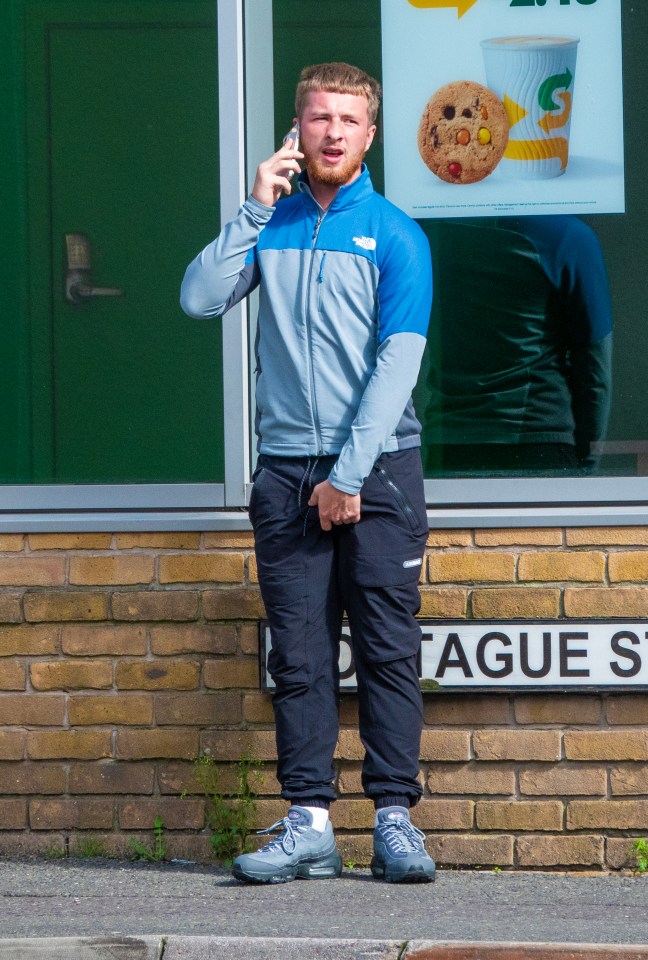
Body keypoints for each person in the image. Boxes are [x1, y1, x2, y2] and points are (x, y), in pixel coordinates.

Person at [181, 62, 434, 884]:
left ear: (371, 135)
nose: (332, 132)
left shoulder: (396, 234)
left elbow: (396, 367)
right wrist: (255, 204)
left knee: (389, 650)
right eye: (318, 118)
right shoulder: (275, 226)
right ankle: (310, 824)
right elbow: (198, 298)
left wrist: (350, 474)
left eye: (348, 120)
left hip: (380, 472)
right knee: (299, 653)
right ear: (298, 131)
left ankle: (394, 820)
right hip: (287, 473)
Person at [422, 216, 612, 477]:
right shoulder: (568, 236)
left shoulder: (427, 236)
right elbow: (595, 371)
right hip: (539, 440)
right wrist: (587, 467)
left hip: (450, 443)